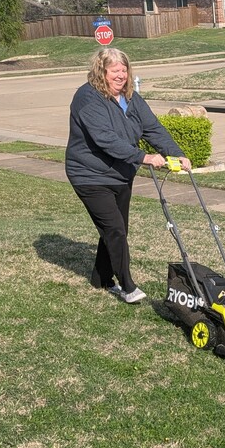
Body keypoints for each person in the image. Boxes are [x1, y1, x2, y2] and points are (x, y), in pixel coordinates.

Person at [65, 48, 191, 303]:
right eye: (115, 71)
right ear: (102, 72)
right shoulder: (87, 98)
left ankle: (101, 278)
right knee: (115, 230)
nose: (121, 75)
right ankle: (127, 285)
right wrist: (143, 157)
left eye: (124, 70)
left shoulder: (131, 97)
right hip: (89, 174)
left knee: (115, 229)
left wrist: (176, 154)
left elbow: (153, 129)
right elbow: (105, 139)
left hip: (121, 174)